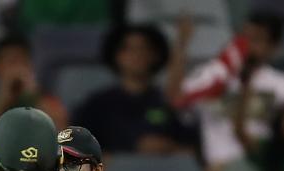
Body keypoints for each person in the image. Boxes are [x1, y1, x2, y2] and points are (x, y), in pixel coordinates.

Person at [167, 11, 284, 171]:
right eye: (244, 37)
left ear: (274, 47)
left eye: (257, 39)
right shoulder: (213, 76)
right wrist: (181, 44)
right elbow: (175, 98)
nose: (247, 45)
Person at [73, 24, 195, 155]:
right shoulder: (96, 105)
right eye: (128, 49)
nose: (137, 55)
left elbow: (192, 150)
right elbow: (78, 151)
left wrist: (168, 148)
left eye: (144, 48)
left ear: (156, 55)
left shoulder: (169, 103)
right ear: (116, 56)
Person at [0, 34, 67, 146]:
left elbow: (63, 138)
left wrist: (32, 95)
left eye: (19, 60)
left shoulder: (48, 101)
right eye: (8, 61)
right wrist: (1, 101)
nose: (14, 67)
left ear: (29, 64)